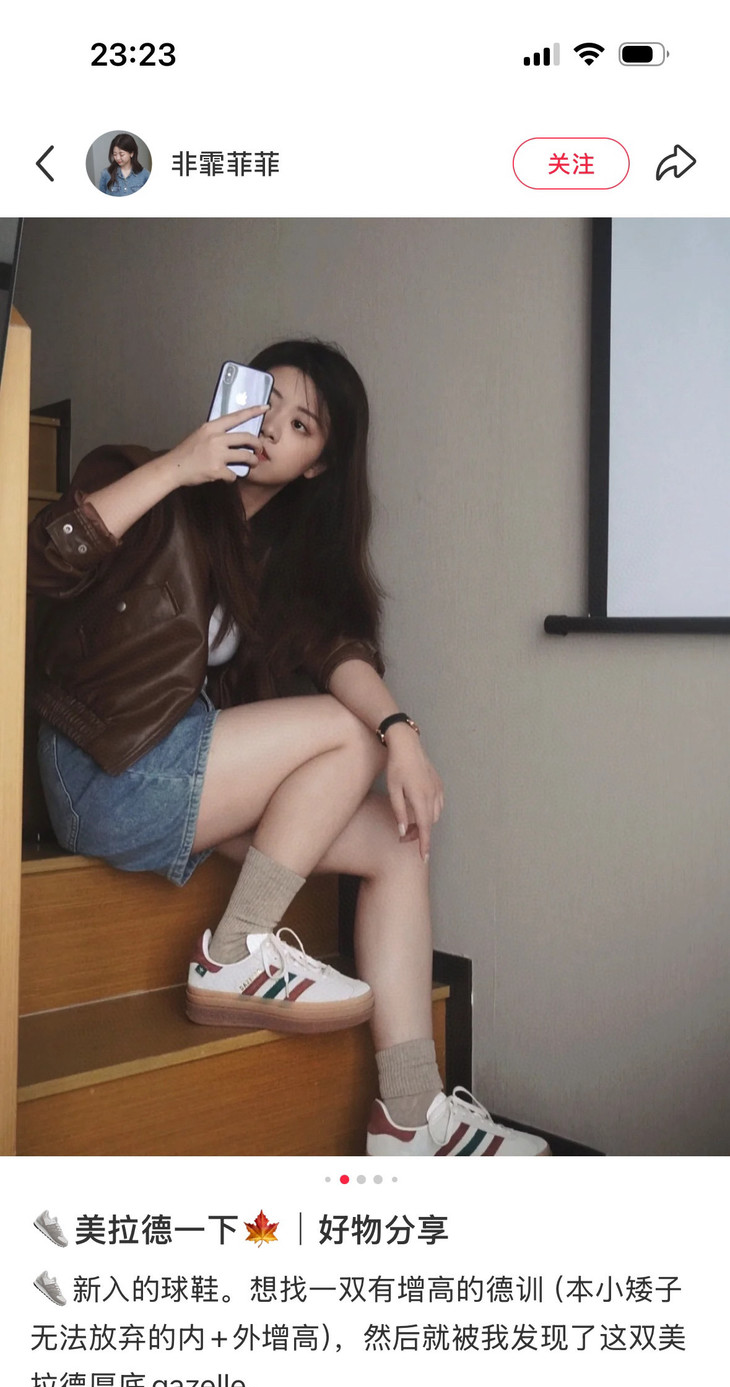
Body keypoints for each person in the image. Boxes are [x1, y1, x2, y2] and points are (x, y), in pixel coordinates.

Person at [28, 338, 549, 1158]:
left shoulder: (278, 559)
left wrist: (403, 734)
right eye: (265, 400)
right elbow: (42, 560)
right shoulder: (143, 476)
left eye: (301, 424)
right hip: (99, 767)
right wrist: (176, 467)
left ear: (318, 464)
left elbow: (339, 653)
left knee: (399, 843)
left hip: (184, 771)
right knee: (352, 733)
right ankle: (235, 950)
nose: (273, 427)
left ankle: (411, 1116)